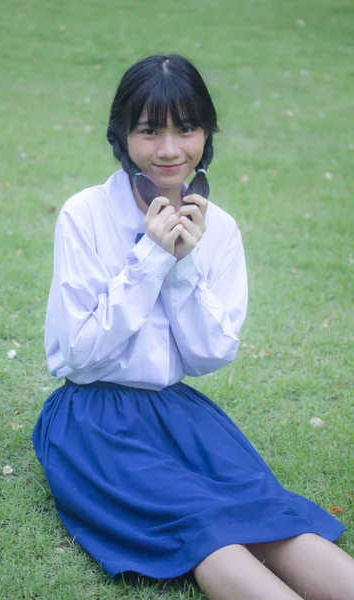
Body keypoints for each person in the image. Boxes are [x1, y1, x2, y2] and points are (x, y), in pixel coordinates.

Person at [32, 54, 354, 600]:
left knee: (271, 517)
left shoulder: (219, 229)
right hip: (94, 420)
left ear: (206, 133)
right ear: (121, 136)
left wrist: (182, 267)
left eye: (187, 128)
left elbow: (210, 355)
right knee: (208, 532)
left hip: (180, 413)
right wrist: (150, 261)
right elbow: (80, 356)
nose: (169, 149)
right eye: (149, 130)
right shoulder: (84, 215)